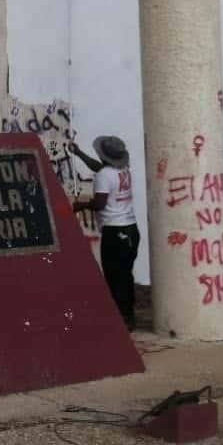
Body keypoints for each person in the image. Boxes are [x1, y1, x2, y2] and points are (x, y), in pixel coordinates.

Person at [70, 136, 139, 331]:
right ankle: (128, 317)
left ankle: (121, 319)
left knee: (114, 276)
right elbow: (99, 168)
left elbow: (100, 203)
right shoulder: (122, 170)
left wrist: (81, 205)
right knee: (125, 275)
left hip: (114, 231)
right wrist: (79, 153)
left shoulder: (104, 175)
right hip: (131, 230)